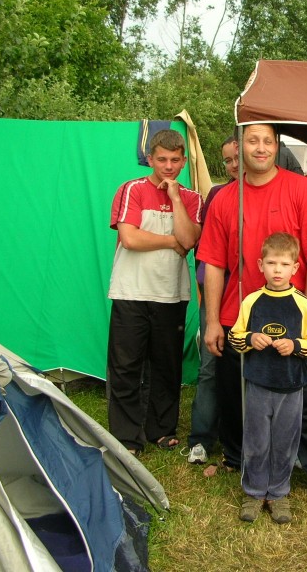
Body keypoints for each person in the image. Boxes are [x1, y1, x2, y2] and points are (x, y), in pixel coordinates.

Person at [196, 123, 307, 523]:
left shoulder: (299, 189)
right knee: (239, 398)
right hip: (239, 318)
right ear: (240, 146)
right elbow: (213, 262)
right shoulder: (225, 198)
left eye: (268, 141)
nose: (261, 148)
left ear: (277, 146)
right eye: (253, 140)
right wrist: (213, 320)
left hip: (290, 320)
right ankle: (241, 463)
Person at [106, 129, 202, 455]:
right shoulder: (131, 189)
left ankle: (160, 430)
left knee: (166, 367)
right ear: (150, 159)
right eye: (162, 159)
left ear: (184, 161)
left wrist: (175, 198)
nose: (168, 166)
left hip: (172, 294)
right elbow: (130, 238)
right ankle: (127, 437)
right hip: (130, 291)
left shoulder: (192, 198)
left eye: (175, 160)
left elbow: (189, 240)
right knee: (125, 367)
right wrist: (170, 241)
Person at [229, 232, 307, 524]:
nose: (277, 270)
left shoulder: (303, 304)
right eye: (271, 263)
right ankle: (255, 491)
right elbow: (235, 337)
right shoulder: (252, 301)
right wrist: (250, 338)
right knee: (256, 440)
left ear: (295, 267)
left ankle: (279, 493)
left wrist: (295, 345)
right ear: (261, 265)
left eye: (284, 264)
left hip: (291, 386)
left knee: (284, 442)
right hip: (258, 383)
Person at [186, 136, 239, 472]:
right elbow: (206, 252)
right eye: (228, 160)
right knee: (210, 365)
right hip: (218, 293)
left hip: (252, 296)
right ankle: (201, 439)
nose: (233, 165)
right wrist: (206, 294)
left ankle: (243, 439)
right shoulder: (218, 195)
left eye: (237, 158)